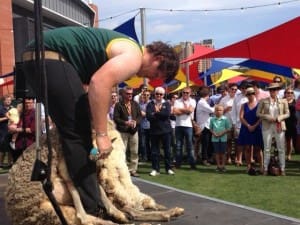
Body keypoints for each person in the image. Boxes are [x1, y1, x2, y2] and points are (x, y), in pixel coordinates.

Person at [21, 27, 179, 217]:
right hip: (49, 57)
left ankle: (86, 196)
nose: (151, 79)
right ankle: (94, 208)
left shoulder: (123, 51)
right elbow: (100, 83)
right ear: (158, 59)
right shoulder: (134, 55)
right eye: (156, 74)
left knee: (74, 128)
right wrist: (102, 135)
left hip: (40, 59)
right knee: (78, 134)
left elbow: (88, 89)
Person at [257, 83, 290, 176]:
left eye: (275, 89)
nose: (273, 91)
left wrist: (279, 117)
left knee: (281, 148)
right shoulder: (263, 101)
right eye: (271, 90)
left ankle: (282, 169)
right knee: (267, 148)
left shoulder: (283, 101)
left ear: (278, 90)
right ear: (269, 91)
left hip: (279, 125)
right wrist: (267, 116)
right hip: (267, 126)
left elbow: (288, 113)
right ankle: (266, 168)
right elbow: (258, 113)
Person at [113, 86, 142, 177]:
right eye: (128, 94)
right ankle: (123, 170)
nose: (130, 95)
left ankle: (133, 170)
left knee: (135, 151)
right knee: (122, 151)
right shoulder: (119, 105)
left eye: (131, 94)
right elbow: (116, 118)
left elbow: (140, 116)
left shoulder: (135, 104)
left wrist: (135, 122)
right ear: (123, 94)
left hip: (134, 131)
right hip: (123, 131)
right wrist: (126, 122)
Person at [146, 87, 174, 176]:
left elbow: (166, 115)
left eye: (160, 94)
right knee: (154, 151)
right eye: (157, 94)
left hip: (166, 130)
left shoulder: (167, 103)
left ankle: (168, 168)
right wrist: (159, 114)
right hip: (154, 131)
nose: (158, 95)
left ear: (163, 95)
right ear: (154, 94)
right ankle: (155, 169)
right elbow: (149, 117)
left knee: (167, 150)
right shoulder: (150, 104)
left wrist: (156, 113)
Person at [238, 87, 263, 173]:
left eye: (252, 93)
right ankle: (248, 166)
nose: (250, 95)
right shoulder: (243, 105)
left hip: (257, 128)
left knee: (258, 148)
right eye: (248, 94)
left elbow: (261, 117)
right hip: (246, 128)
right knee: (247, 148)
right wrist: (248, 125)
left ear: (254, 94)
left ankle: (261, 166)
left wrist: (254, 126)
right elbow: (241, 117)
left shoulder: (259, 104)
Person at [173, 87, 197, 169]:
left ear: (190, 93)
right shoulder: (177, 101)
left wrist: (180, 110)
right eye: (184, 92)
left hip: (188, 125)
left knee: (189, 146)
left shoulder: (193, 101)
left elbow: (190, 111)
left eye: (187, 93)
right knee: (178, 146)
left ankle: (192, 164)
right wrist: (185, 110)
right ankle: (178, 164)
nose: (185, 94)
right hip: (178, 125)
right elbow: (175, 112)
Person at [9, 98, 36, 162]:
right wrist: (12, 128)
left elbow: (32, 130)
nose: (28, 105)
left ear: (33, 103)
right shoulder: (23, 113)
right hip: (19, 143)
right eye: (26, 103)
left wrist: (17, 129)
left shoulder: (35, 114)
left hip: (29, 144)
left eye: (30, 103)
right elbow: (19, 125)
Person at [196, 86, 215, 166]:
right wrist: (216, 106)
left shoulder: (202, 102)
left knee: (208, 143)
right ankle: (204, 159)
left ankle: (207, 158)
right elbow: (212, 110)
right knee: (205, 144)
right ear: (207, 94)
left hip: (206, 125)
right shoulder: (202, 102)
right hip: (204, 126)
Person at [209, 104, 231, 172]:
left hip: (223, 138)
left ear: (223, 111)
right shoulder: (212, 119)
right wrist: (214, 133)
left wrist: (222, 133)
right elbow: (210, 128)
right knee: (217, 152)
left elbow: (228, 128)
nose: (219, 111)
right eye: (217, 110)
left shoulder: (225, 119)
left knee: (223, 152)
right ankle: (218, 166)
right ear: (215, 111)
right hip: (215, 138)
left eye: (220, 110)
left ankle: (223, 166)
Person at [283, 87, 297, 161]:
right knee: (282, 139)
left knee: (289, 139)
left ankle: (288, 154)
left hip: (292, 122)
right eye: (288, 92)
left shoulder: (295, 101)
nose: (290, 94)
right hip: (283, 121)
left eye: (291, 93)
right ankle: (282, 154)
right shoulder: (281, 101)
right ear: (285, 94)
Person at [0, 95, 13, 168]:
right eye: (7, 100)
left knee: (10, 149)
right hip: (2, 132)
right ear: (3, 101)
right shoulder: (0, 108)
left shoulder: (12, 108)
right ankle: (0, 163)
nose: (9, 101)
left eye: (10, 100)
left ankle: (9, 163)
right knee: (2, 149)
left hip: (11, 131)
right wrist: (7, 117)